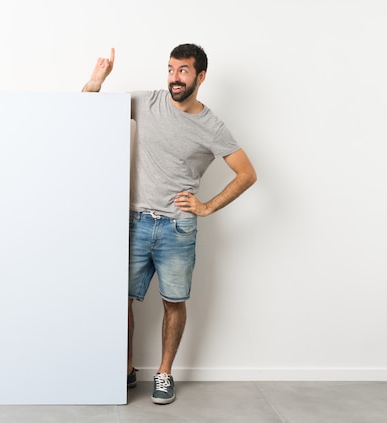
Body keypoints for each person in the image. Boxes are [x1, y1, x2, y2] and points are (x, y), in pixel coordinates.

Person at [82, 44, 257, 405]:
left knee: (173, 302)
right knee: (120, 300)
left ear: (200, 76)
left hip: (178, 228)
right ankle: (127, 369)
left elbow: (247, 174)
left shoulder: (211, 125)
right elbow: (86, 112)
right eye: (171, 69)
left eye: (183, 71)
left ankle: (164, 374)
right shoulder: (148, 102)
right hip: (135, 221)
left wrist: (206, 206)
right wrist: (96, 80)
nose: (174, 78)